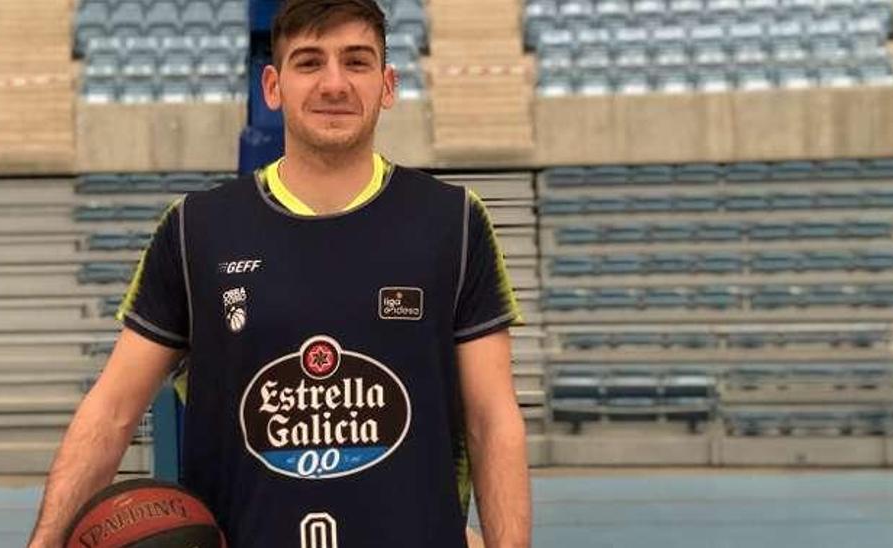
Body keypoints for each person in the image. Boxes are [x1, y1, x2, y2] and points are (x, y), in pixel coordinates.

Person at [28, 0, 531, 546]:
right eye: (310, 62)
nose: (334, 84)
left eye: (357, 62)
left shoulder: (454, 222)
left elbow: (492, 421)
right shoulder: (196, 228)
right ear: (273, 87)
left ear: (388, 85)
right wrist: (44, 541)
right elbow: (112, 410)